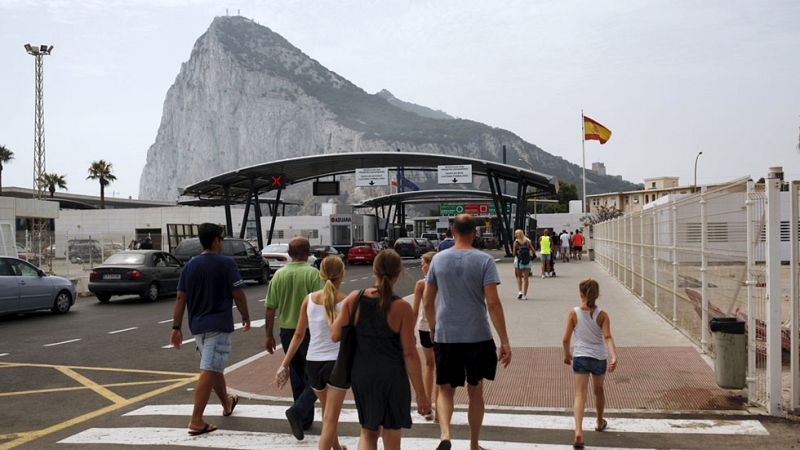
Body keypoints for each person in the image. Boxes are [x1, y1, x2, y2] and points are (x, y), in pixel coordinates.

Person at [423, 214, 512, 450]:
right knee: (475, 391)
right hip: (478, 336)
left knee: (445, 390)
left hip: (446, 335)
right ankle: (473, 443)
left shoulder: (438, 260)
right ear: (474, 233)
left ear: (453, 232)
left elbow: (427, 301)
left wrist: (432, 327)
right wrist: (504, 341)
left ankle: (445, 434)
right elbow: (493, 303)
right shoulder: (485, 261)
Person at [331, 249, 431, 450]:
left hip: (363, 375)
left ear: (374, 270)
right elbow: (410, 354)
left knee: (368, 432)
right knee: (392, 432)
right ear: (398, 273)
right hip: (393, 377)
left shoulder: (354, 298)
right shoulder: (402, 307)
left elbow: (335, 335)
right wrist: (421, 393)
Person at [169, 223, 251, 435]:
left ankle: (227, 403)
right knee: (210, 369)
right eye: (221, 238)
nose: (222, 242)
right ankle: (196, 420)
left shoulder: (190, 265)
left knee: (214, 367)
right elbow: (238, 294)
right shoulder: (226, 263)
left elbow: (180, 298)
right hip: (218, 325)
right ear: (215, 240)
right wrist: (245, 315)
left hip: (197, 327)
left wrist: (176, 327)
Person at [276, 256, 347, 450]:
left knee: (327, 413)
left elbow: (298, 335)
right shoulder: (346, 302)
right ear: (342, 274)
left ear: (321, 274)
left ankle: (337, 448)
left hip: (313, 363)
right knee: (331, 417)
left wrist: (284, 364)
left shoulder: (309, 300)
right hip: (336, 364)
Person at [265, 236, 324, 440]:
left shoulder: (278, 275)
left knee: (298, 375)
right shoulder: (313, 274)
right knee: (317, 376)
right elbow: (323, 303)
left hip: (287, 331)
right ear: (308, 253)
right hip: (309, 332)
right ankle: (299, 411)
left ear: (289, 254)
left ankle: (304, 420)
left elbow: (270, 308)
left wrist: (268, 335)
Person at [562, 279, 618, 449]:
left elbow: (565, 339)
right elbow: (607, 337)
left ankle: (578, 432)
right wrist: (613, 356)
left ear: (581, 293)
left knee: (580, 394)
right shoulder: (603, 315)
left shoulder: (573, 313)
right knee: (598, 390)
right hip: (599, 357)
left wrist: (567, 354)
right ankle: (599, 421)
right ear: (596, 294)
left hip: (581, 356)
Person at [412, 251, 438, 420]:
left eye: (423, 264)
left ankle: (427, 403)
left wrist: (410, 331)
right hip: (441, 327)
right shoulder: (445, 281)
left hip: (424, 326)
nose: (421, 267)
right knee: (440, 366)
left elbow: (415, 310)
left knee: (429, 365)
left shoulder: (421, 284)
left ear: (429, 265)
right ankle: (439, 403)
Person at [512, 229, 535, 301]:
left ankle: (520, 292)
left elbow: (514, 253)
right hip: (527, 261)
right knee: (526, 278)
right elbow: (533, 251)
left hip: (519, 261)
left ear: (517, 235)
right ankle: (524, 295)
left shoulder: (516, 242)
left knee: (519, 277)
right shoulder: (527, 242)